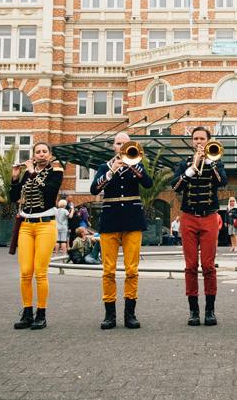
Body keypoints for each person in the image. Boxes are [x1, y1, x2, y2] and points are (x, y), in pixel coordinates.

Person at [91, 131, 153, 330]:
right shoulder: (104, 167)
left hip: (133, 221)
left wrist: (134, 166)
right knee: (108, 270)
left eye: (126, 144)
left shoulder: (137, 165)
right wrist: (111, 171)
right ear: (113, 146)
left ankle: (130, 314)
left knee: (132, 270)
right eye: (119, 143)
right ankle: (110, 315)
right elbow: (94, 189)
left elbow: (148, 184)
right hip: (110, 221)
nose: (122, 147)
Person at [170, 126, 228, 326]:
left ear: (208, 140)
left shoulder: (216, 161)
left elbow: (222, 182)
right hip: (188, 217)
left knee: (209, 265)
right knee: (191, 265)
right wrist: (192, 169)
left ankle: (210, 310)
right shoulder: (184, 163)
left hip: (209, 216)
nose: (199, 142)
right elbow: (176, 186)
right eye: (195, 139)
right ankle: (193, 311)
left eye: (202, 138)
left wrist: (210, 163)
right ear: (192, 141)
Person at [10, 142, 64, 330]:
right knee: (25, 272)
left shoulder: (56, 171)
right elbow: (13, 197)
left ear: (49, 155)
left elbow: (49, 194)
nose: (41, 154)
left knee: (40, 272)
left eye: (44, 151)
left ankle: (41, 313)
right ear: (33, 154)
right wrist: (15, 179)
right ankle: (27, 312)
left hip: (45, 225)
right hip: (26, 225)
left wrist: (33, 172)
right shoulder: (27, 174)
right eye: (38, 152)